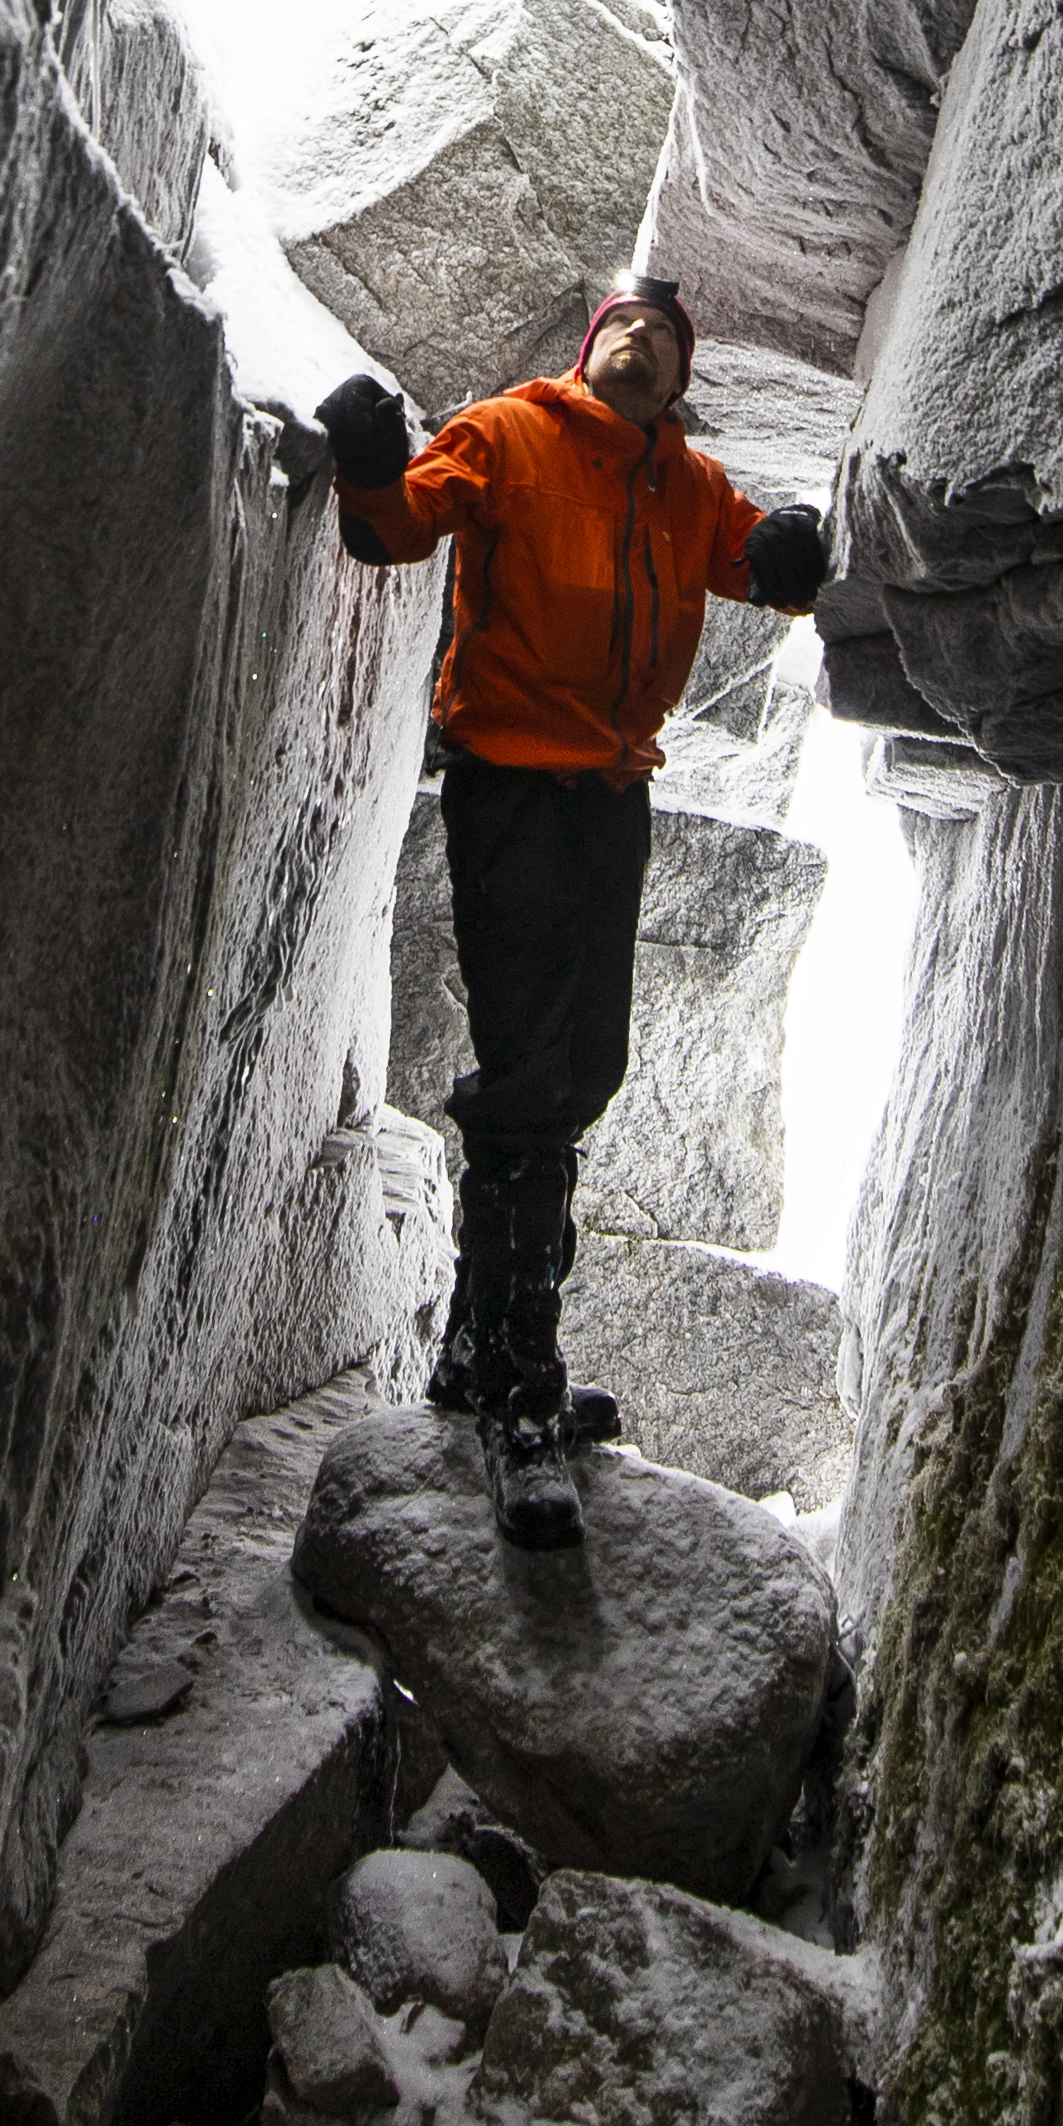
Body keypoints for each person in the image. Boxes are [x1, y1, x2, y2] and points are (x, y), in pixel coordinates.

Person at [319, 278, 827, 1547]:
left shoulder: (687, 483)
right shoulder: (507, 432)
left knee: (582, 1066)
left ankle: (473, 1355)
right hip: (510, 780)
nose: (642, 344)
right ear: (588, 347)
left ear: (679, 379)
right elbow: (397, 529)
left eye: (664, 338)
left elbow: (763, 567)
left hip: (612, 789)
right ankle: (521, 1400)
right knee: (530, 1072)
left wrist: (793, 551)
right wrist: (369, 463)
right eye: (624, 329)